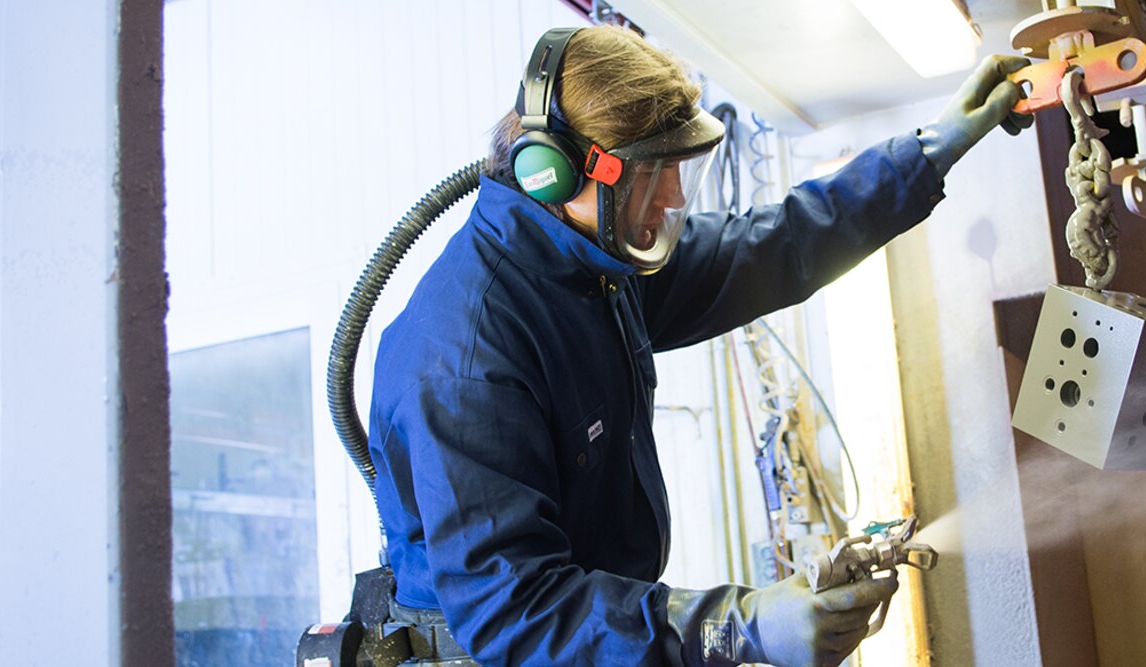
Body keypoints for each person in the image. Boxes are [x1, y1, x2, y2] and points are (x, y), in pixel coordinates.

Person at [368, 25, 1028, 666]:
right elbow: (520, 614)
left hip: (603, 640)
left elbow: (776, 247)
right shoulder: (467, 358)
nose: (674, 199)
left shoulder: (594, 264)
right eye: (652, 175)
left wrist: (926, 155)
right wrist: (739, 630)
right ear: (558, 173)